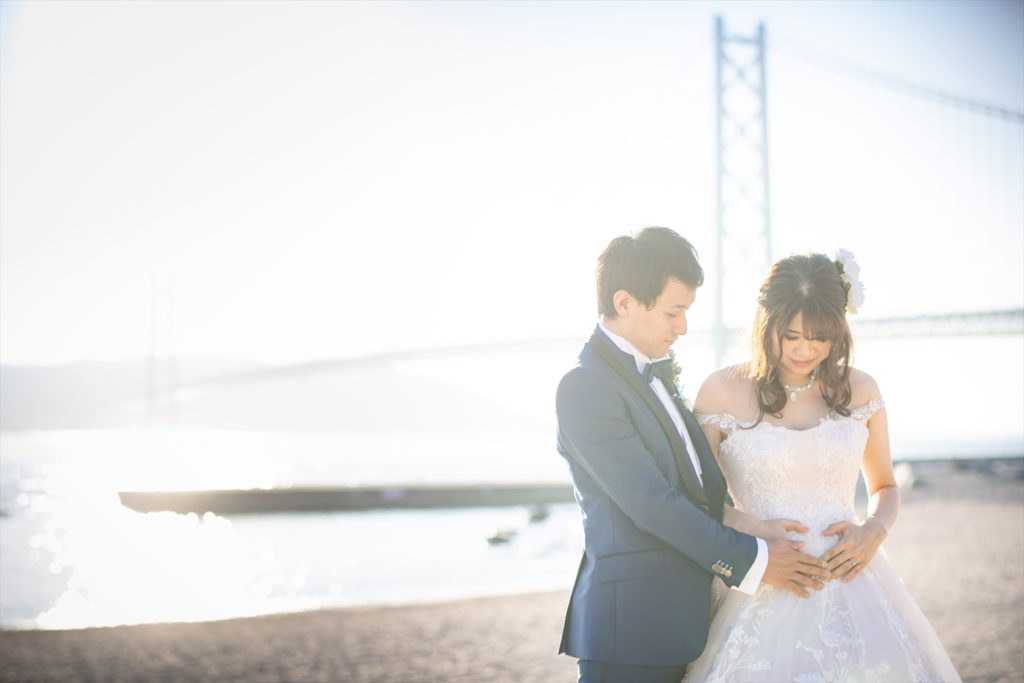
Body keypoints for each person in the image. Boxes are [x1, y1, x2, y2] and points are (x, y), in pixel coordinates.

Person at [555, 228, 833, 683]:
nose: (682, 327)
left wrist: (754, 525)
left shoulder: (654, 375)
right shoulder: (586, 388)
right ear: (624, 303)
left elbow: (695, 491)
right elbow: (651, 503)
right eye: (674, 312)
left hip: (682, 623)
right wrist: (756, 561)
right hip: (631, 632)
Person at [683, 251, 961, 682]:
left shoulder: (861, 389)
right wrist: (752, 528)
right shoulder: (721, 391)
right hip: (762, 576)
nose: (805, 350)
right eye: (791, 335)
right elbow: (697, 498)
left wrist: (873, 531)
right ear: (766, 323)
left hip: (853, 579)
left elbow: (885, 487)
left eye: (820, 337)